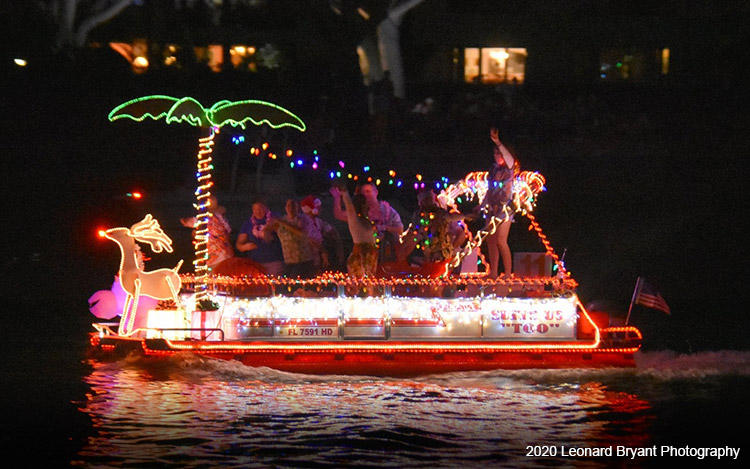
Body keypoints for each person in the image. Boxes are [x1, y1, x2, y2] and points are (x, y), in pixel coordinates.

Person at [481, 127, 517, 278]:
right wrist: (483, 204)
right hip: (492, 208)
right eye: (494, 153)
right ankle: (493, 272)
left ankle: (508, 273)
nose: (496, 155)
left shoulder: (509, 167)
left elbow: (509, 158)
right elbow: (489, 189)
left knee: (501, 240)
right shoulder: (493, 169)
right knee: (491, 240)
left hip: (505, 209)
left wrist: (497, 141)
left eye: (499, 153)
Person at [401, 190, 467, 266]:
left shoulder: (444, 217)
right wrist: (402, 250)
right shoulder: (422, 220)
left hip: (449, 260)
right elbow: (414, 236)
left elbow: (461, 235)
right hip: (432, 259)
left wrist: (450, 251)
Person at [330, 184, 378, 277]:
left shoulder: (367, 220)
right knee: (359, 284)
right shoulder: (354, 219)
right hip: (360, 256)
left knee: (369, 285)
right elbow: (349, 208)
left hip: (371, 255)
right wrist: (344, 193)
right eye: (363, 204)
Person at [180, 195, 234, 269]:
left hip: (216, 257)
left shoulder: (208, 218)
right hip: (224, 255)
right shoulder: (221, 219)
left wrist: (184, 220)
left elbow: (188, 221)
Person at [236, 199, 285, 276]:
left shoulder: (275, 219)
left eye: (260, 209)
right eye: (255, 209)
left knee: (274, 285)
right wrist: (245, 247)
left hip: (274, 262)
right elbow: (239, 245)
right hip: (255, 263)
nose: (258, 212)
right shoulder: (247, 223)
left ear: (266, 208)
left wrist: (268, 229)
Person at [357, 182, 403, 264]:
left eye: (368, 192)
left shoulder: (388, 210)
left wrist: (383, 227)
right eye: (363, 193)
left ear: (376, 192)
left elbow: (400, 230)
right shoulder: (361, 212)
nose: (365, 195)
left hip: (387, 253)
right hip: (366, 253)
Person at [272, 199, 317, 278]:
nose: (291, 208)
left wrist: (282, 222)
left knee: (299, 284)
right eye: (289, 206)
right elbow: (268, 230)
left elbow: (301, 233)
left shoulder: (303, 219)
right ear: (285, 208)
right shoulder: (280, 221)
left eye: (293, 206)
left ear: (297, 208)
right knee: (287, 285)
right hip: (288, 260)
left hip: (303, 260)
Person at [300, 195, 344, 273]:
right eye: (318, 207)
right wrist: (324, 252)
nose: (320, 209)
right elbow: (311, 240)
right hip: (308, 258)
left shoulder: (318, 221)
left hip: (318, 255)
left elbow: (332, 231)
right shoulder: (305, 222)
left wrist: (339, 247)